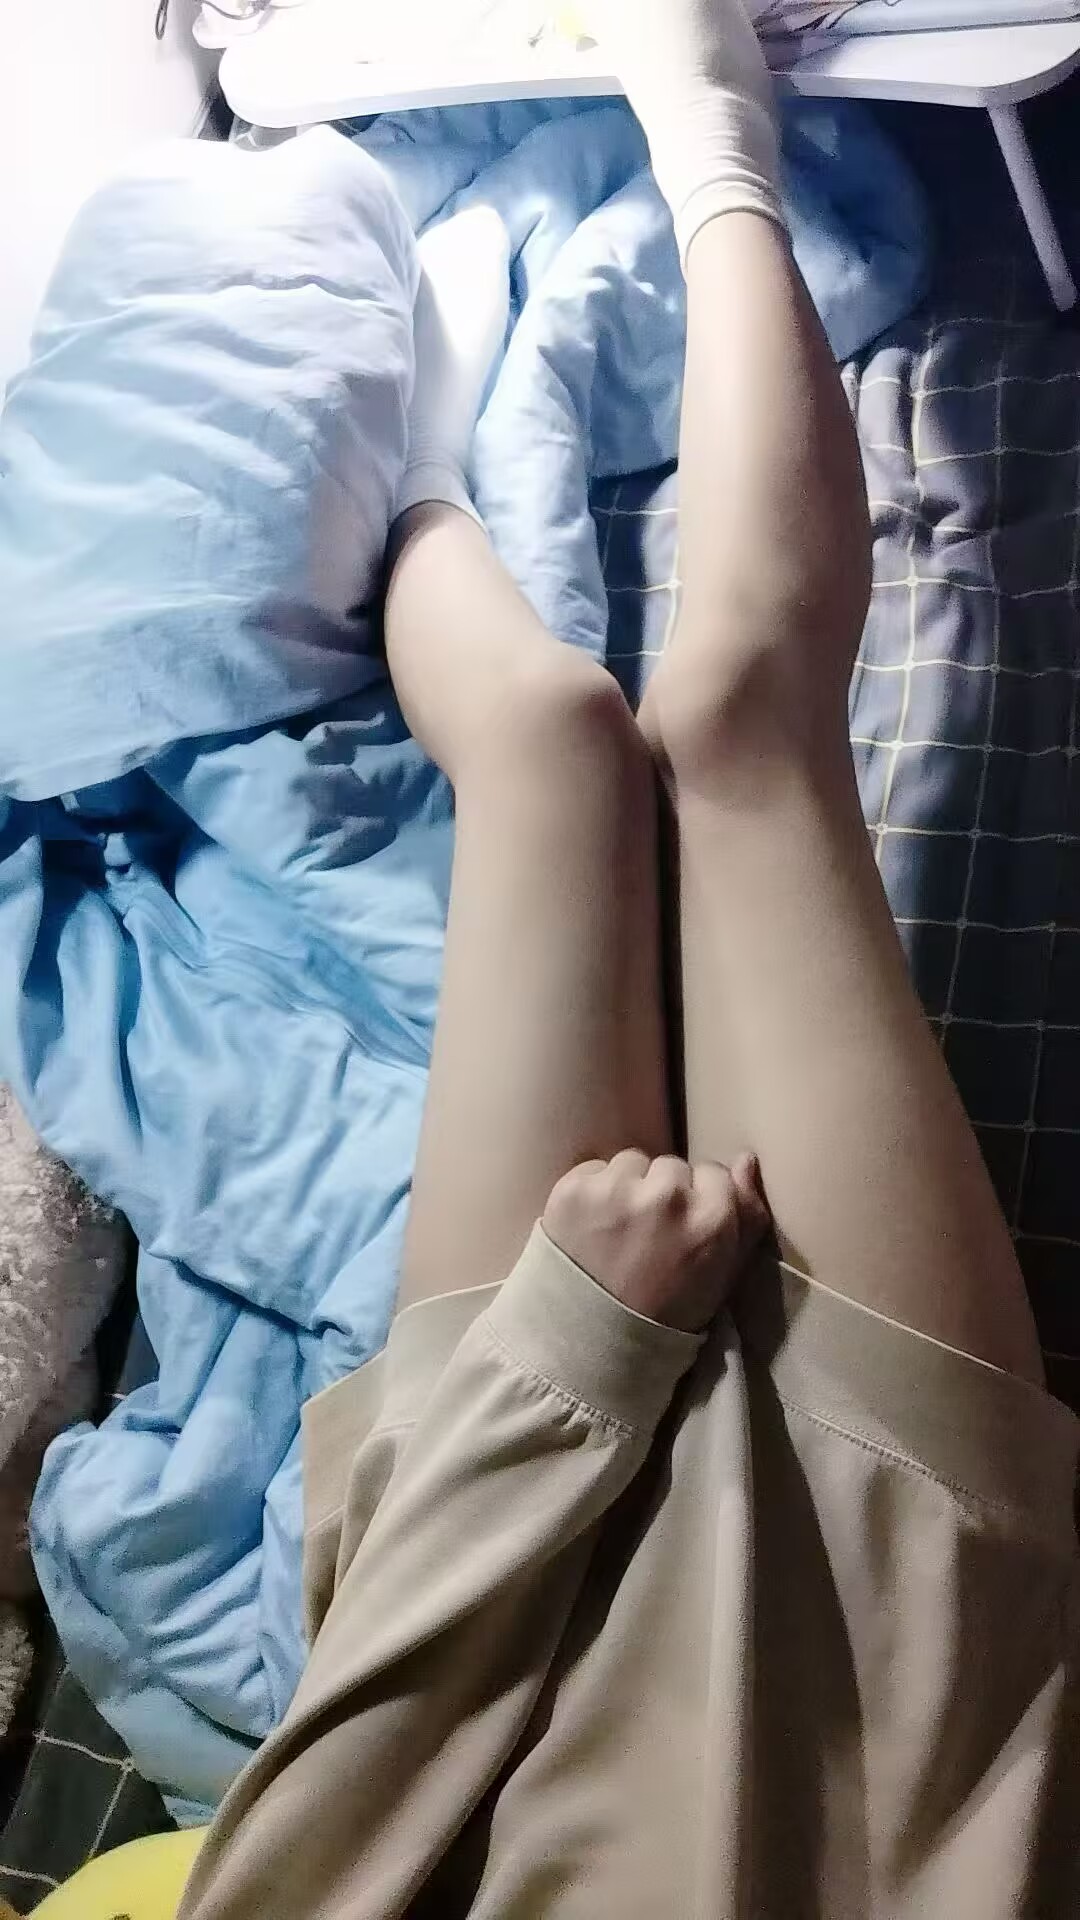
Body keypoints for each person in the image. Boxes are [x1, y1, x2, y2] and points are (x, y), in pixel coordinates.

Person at [178, 0, 1080, 1913]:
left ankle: (435, 375)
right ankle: (709, 125)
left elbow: (328, 1831)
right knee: (742, 726)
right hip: (892, 1722)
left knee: (554, 750)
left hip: (457, 1611)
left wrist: (571, 1360)